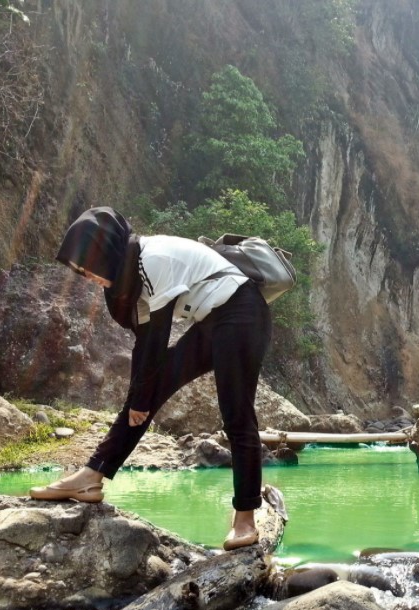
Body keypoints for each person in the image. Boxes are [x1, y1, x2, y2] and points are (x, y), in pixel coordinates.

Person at [29, 207, 272, 551]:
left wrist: (141, 399)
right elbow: (144, 348)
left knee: (236, 414)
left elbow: (156, 339)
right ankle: (92, 476)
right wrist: (139, 399)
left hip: (244, 313)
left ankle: (245, 518)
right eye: (80, 271)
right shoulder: (132, 271)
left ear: (106, 253)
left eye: (88, 267)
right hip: (212, 319)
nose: (88, 277)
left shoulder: (152, 259)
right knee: (145, 393)